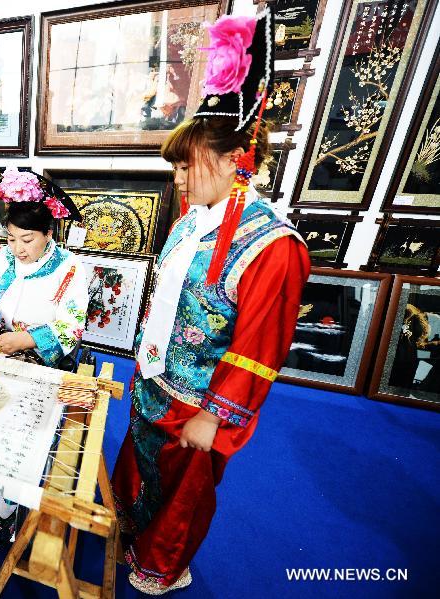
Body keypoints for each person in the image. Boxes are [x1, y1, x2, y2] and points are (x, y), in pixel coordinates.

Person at [111, 9, 310, 594]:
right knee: (139, 475)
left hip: (197, 405)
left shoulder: (272, 244)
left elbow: (259, 349)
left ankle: (164, 566)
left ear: (233, 159)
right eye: (174, 164)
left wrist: (214, 417)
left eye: (185, 163)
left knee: (183, 496)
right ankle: (132, 538)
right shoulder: (190, 219)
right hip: (153, 383)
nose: (176, 176)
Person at [0, 167, 89, 548]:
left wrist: (26, 340)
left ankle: (7, 505)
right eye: (11, 238)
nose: (17, 249)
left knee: (13, 419)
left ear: (49, 234)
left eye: (27, 239)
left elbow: (72, 327)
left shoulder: (71, 270)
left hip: (42, 355)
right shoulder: (3, 259)